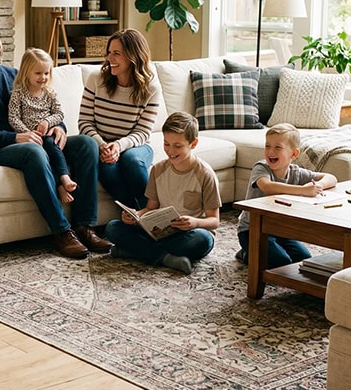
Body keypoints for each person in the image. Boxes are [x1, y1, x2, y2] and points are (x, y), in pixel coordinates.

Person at [0, 17, 111, 259]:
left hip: (36, 137)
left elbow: (45, 106)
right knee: (33, 151)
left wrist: (60, 127)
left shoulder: (15, 75)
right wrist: (15, 137)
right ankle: (61, 231)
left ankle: (85, 226)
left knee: (86, 144)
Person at [105, 112, 221, 275]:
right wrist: (136, 215)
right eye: (166, 144)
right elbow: (151, 208)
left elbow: (214, 221)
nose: (170, 151)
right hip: (160, 232)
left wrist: (194, 222)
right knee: (112, 228)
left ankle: (134, 252)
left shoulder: (205, 175)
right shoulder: (158, 170)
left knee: (204, 240)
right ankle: (166, 258)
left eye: (177, 146)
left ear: (193, 144)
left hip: (188, 233)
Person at [78, 28, 162, 209]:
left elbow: (143, 132)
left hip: (136, 146)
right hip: (103, 145)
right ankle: (137, 214)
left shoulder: (151, 87)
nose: (110, 58)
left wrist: (119, 145)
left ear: (134, 56)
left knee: (131, 161)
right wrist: (102, 145)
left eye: (117, 54)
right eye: (109, 52)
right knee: (107, 169)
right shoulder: (96, 79)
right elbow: (84, 122)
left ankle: (153, 213)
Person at [236, 123, 338, 268]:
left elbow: (331, 177)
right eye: (267, 146)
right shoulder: (261, 168)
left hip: (280, 230)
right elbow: (268, 187)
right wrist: (303, 190)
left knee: (304, 259)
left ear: (294, 154)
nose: (271, 151)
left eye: (278, 147)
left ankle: (258, 252)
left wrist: (318, 186)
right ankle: (247, 254)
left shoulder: (296, 172)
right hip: (252, 230)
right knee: (281, 262)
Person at [8, 48, 76, 203]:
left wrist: (47, 122)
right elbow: (13, 118)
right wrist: (28, 133)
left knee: (52, 145)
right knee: (41, 155)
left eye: (46, 73)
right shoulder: (18, 93)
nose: (43, 77)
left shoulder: (50, 93)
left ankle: (64, 177)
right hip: (30, 137)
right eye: (38, 73)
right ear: (26, 72)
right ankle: (60, 185)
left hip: (48, 134)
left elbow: (59, 114)